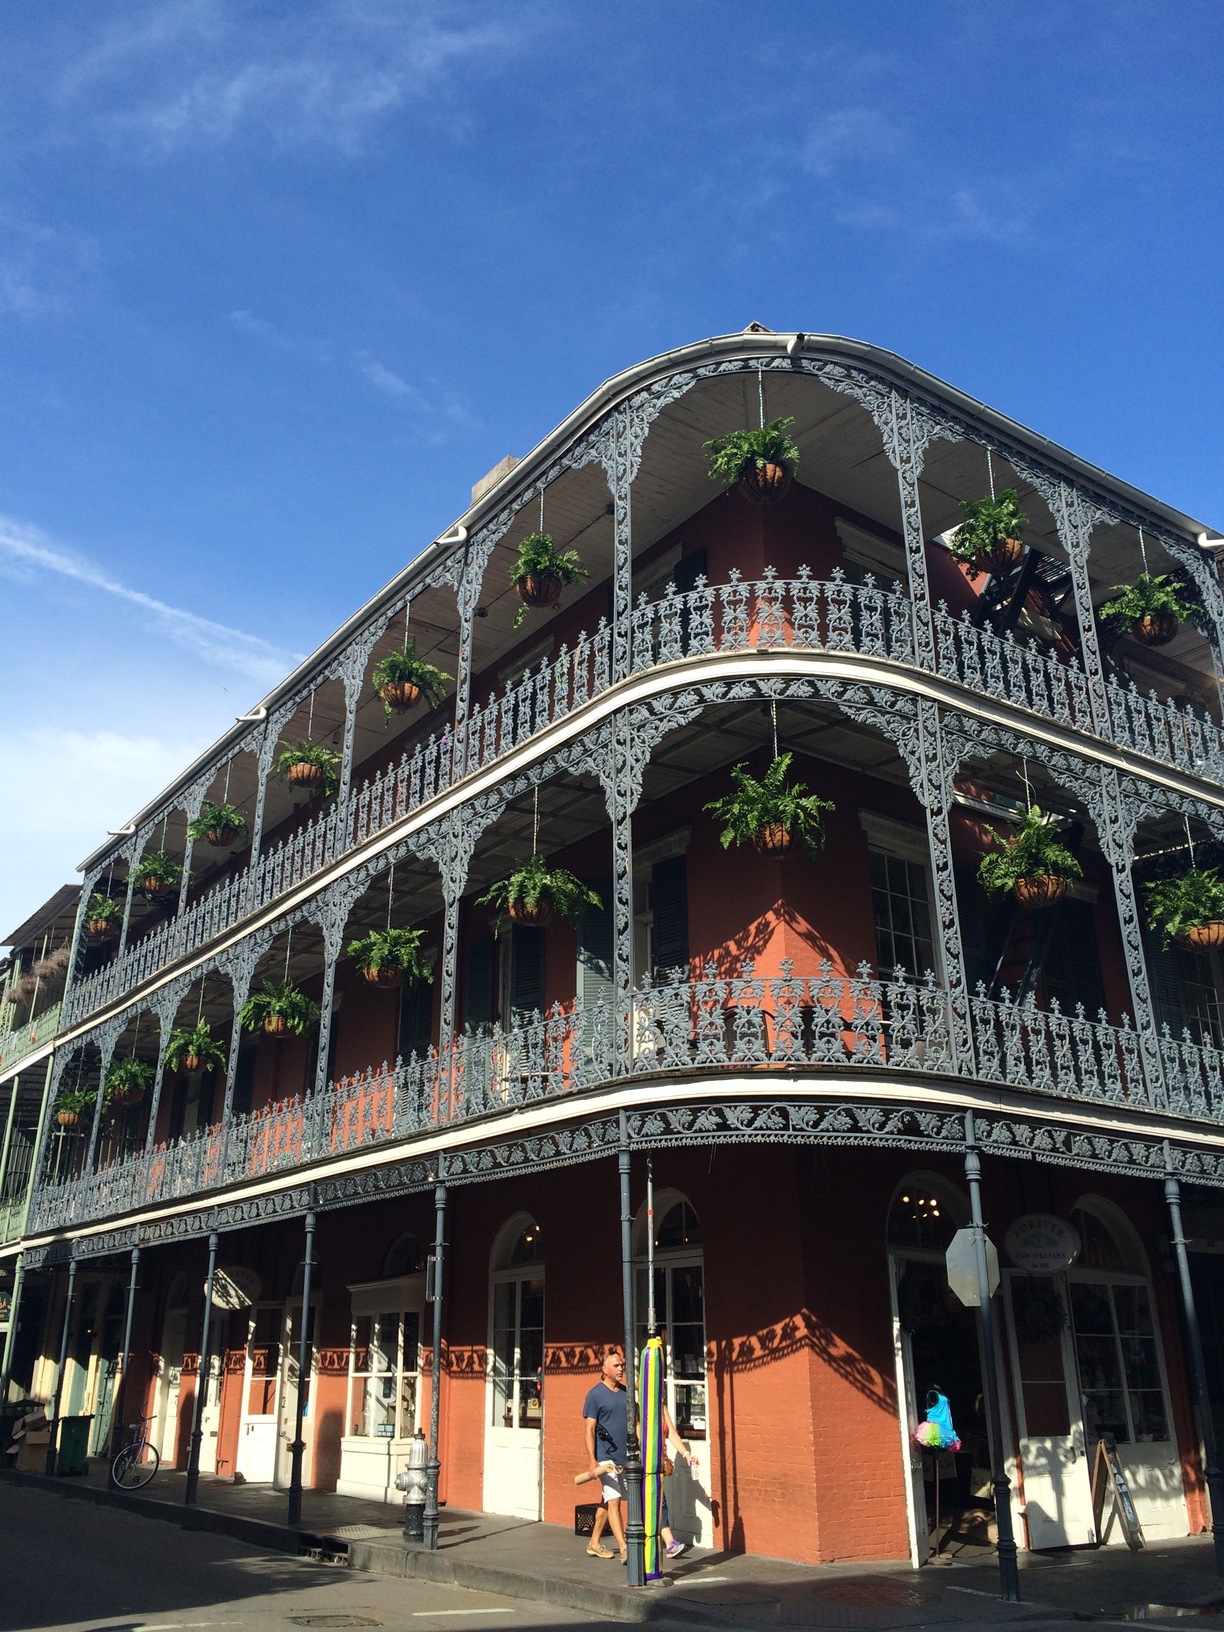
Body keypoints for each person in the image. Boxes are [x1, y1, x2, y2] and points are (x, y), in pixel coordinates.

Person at [583, 1346, 629, 1563]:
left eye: (622, 1365)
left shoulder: (626, 1394)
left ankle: (594, 1542)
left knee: (608, 1498)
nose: (621, 1369)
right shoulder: (595, 1395)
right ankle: (624, 1548)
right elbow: (589, 1429)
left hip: (624, 1457)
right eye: (616, 1365)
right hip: (605, 1459)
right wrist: (592, 1461)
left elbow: (635, 1424)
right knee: (615, 1501)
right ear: (604, 1369)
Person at [659, 1400, 697, 1559]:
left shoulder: (661, 1408)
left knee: (660, 1502)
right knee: (659, 1502)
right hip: (645, 1465)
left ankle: (595, 1540)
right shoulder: (638, 1409)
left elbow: (672, 1434)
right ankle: (669, 1542)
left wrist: (686, 1454)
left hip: (660, 1464)